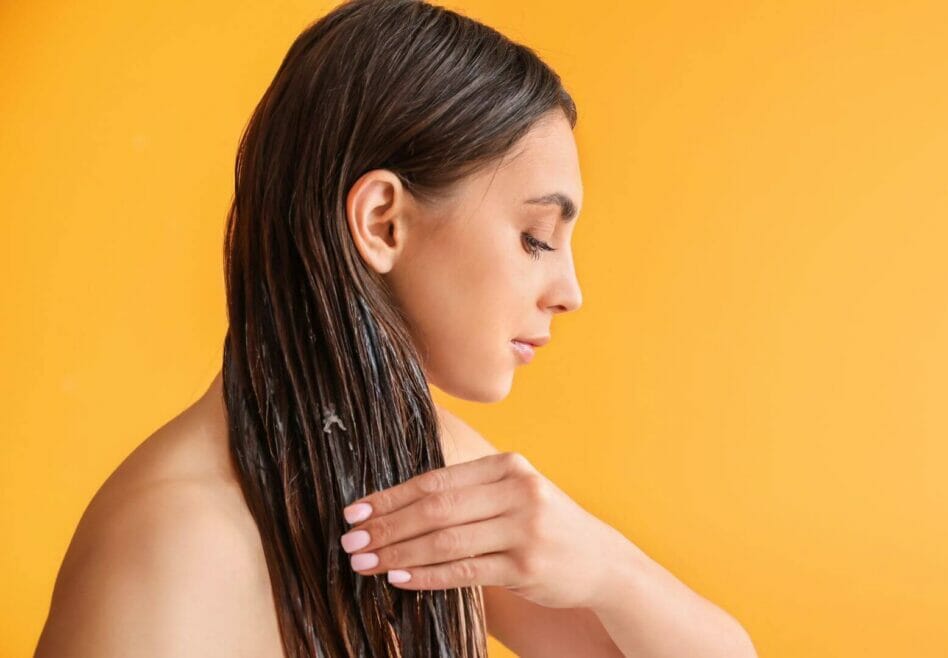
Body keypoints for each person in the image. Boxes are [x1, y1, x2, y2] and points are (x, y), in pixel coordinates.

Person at [35, 1, 757, 656]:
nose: (569, 292)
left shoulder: (410, 460)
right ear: (383, 221)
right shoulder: (175, 548)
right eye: (537, 237)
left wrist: (604, 565)